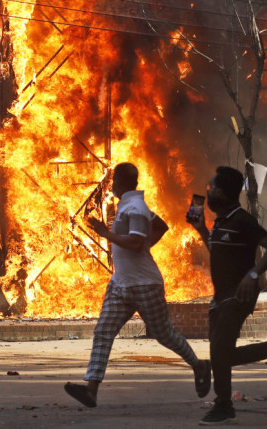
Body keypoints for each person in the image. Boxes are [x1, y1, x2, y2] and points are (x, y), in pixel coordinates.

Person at [64, 162, 211, 408]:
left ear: (120, 183)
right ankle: (91, 389)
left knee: (165, 335)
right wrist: (145, 246)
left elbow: (133, 243)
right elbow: (161, 226)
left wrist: (105, 233)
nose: (111, 186)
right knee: (103, 331)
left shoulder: (135, 208)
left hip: (145, 284)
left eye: (113, 182)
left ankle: (199, 365)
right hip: (121, 283)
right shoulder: (130, 206)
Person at [188, 165, 267, 426]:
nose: (208, 192)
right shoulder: (222, 222)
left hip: (239, 295)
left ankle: (224, 405)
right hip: (221, 296)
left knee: (218, 351)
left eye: (212, 188)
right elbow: (219, 252)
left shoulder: (242, 220)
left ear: (224, 193)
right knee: (222, 355)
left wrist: (253, 274)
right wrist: (203, 230)